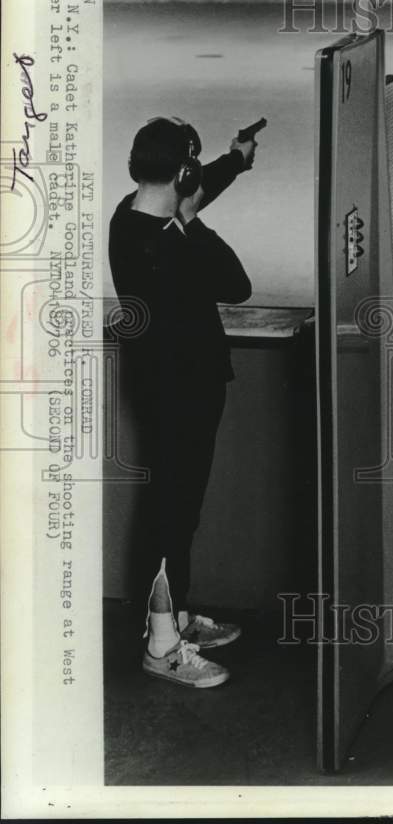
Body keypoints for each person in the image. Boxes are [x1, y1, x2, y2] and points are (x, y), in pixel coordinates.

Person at [109, 116, 258, 688]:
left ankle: (174, 618)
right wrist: (194, 222)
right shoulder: (176, 243)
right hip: (185, 393)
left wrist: (235, 161)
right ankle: (164, 645)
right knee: (174, 515)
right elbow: (238, 285)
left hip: (159, 386)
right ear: (182, 171)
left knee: (176, 509)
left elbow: (187, 194)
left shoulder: (130, 217)